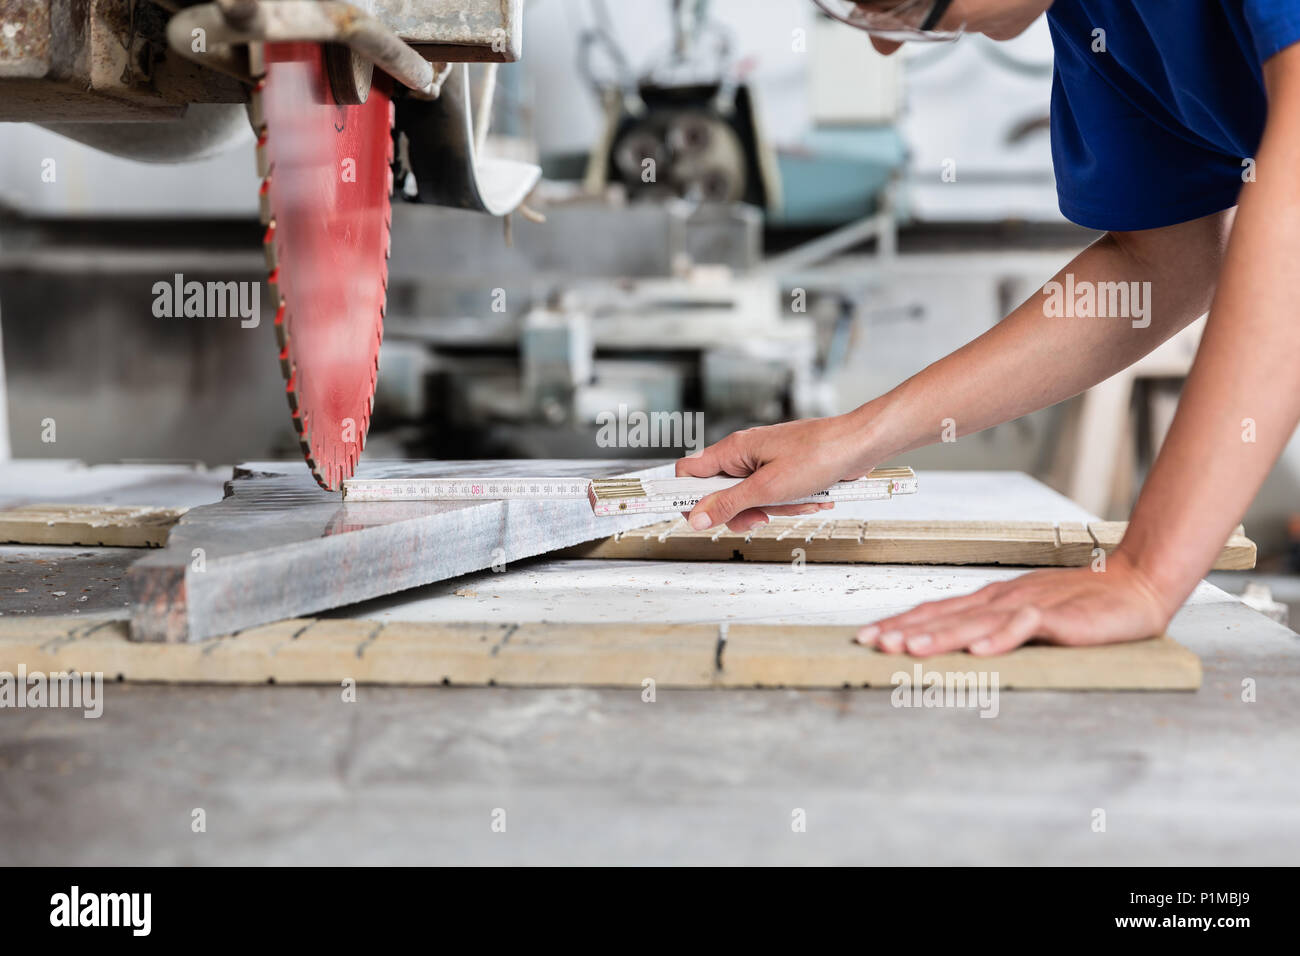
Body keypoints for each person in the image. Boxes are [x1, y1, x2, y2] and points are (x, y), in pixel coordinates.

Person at [677, 0, 1300, 655]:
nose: (888, 50)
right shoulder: (1096, 21)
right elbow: (1164, 260)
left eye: (906, 10)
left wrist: (1146, 573)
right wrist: (854, 437)